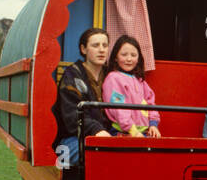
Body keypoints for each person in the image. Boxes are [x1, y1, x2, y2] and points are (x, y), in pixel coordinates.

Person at [53, 27, 116, 165]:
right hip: (71, 140)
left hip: (107, 136)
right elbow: (72, 117)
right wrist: (96, 130)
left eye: (105, 45)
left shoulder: (112, 76)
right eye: (95, 45)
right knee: (103, 152)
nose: (101, 50)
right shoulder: (71, 76)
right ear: (83, 49)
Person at [103, 35, 161, 138]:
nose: (129, 59)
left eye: (133, 55)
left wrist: (153, 124)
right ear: (115, 57)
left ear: (138, 58)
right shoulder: (113, 78)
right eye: (124, 54)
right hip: (123, 132)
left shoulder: (140, 80)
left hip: (143, 132)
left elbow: (150, 102)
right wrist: (133, 131)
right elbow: (119, 108)